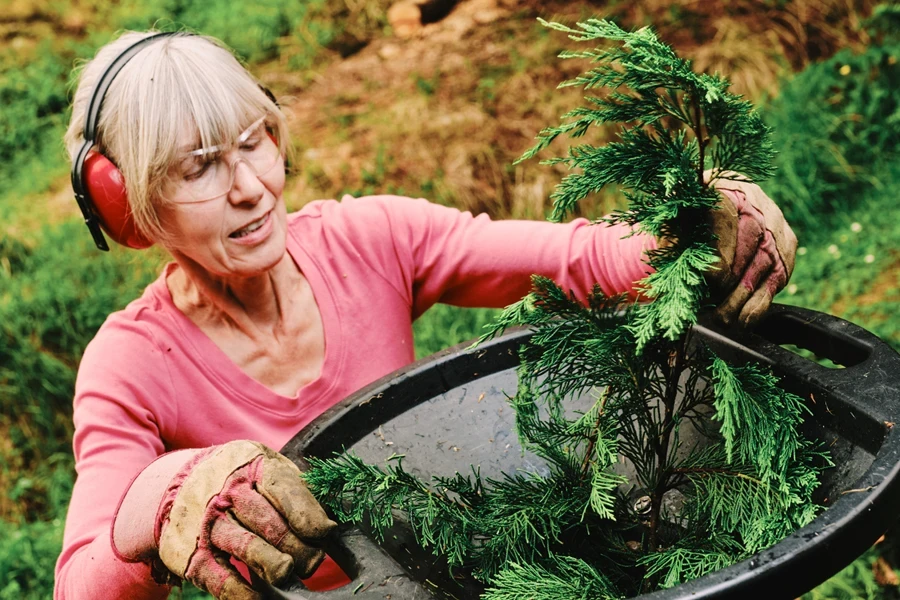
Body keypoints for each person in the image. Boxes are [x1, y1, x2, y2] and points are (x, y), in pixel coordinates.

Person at [54, 29, 796, 600]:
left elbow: (574, 258)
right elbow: (81, 581)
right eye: (199, 167)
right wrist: (158, 498)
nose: (250, 186)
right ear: (129, 207)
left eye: (255, 142)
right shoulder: (132, 364)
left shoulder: (367, 239)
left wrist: (689, 230)